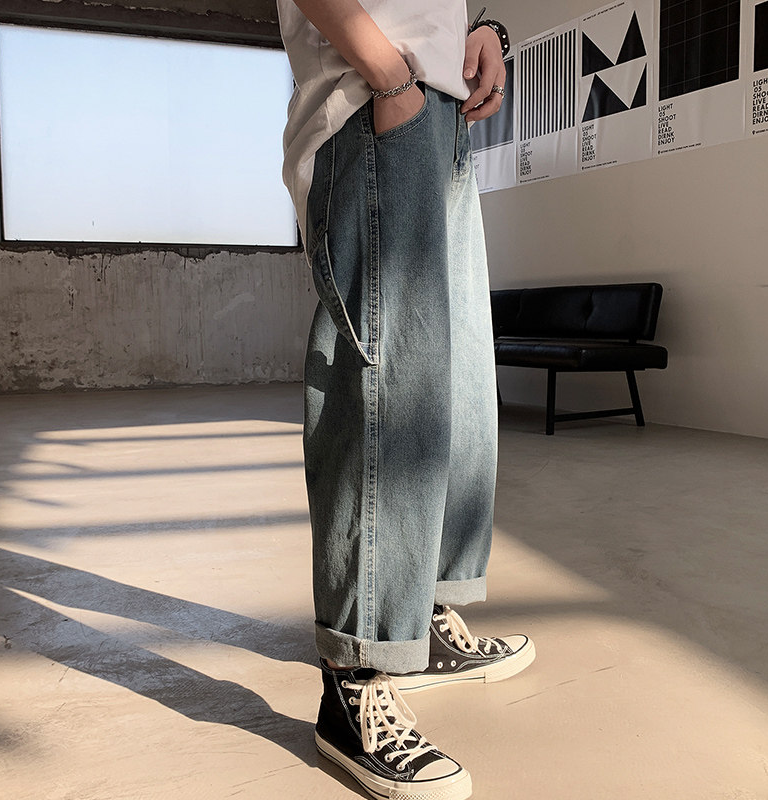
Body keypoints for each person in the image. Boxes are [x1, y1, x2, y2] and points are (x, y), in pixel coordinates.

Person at [276, 2, 535, 797]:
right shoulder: (383, 85)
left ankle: (420, 618)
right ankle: (354, 680)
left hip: (435, 110)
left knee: (451, 384)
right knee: (385, 393)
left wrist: (480, 31)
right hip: (374, 101)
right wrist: (388, 73)